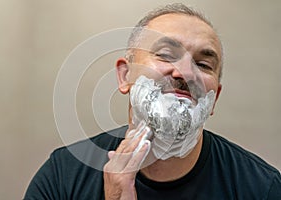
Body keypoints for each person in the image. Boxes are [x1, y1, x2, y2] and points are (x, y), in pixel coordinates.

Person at [24, 3, 281, 200]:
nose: (186, 73)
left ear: (214, 100)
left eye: (203, 64)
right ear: (125, 76)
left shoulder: (262, 188)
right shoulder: (62, 178)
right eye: (167, 55)